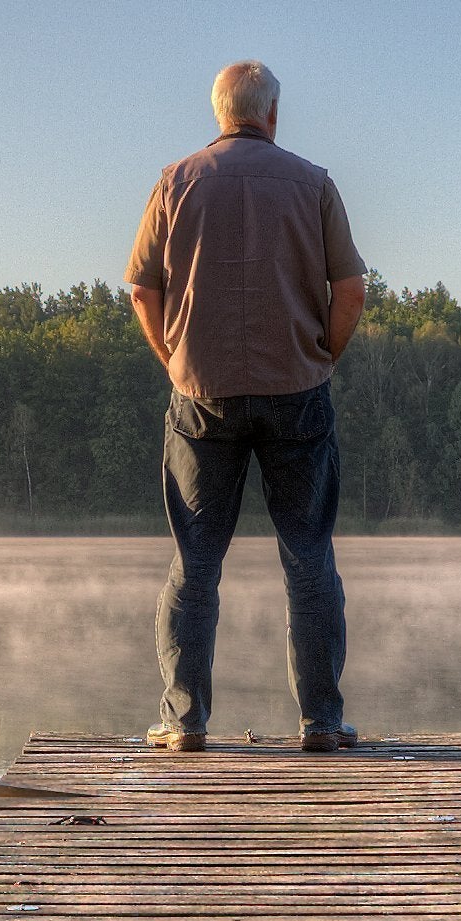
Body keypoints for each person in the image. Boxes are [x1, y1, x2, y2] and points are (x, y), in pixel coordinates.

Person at [125, 59, 368, 753]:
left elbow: (143, 291)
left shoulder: (176, 181)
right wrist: (320, 353)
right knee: (309, 558)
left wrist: (174, 358)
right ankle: (321, 722)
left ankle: (184, 723)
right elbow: (349, 289)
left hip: (202, 397)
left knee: (194, 564)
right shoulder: (314, 183)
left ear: (217, 111)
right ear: (273, 114)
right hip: (298, 392)